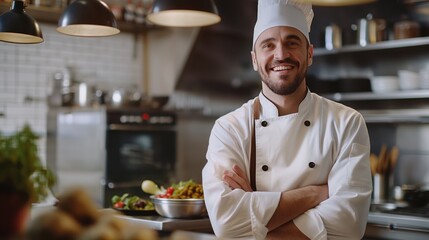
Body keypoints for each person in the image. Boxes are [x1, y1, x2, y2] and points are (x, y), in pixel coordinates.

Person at [202, 0, 372, 239]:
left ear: (309, 53)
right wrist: (315, 194)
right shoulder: (229, 128)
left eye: (291, 42)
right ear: (254, 59)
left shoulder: (346, 123)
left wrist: (257, 218)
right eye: (268, 45)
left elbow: (348, 225)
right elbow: (226, 224)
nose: (281, 54)